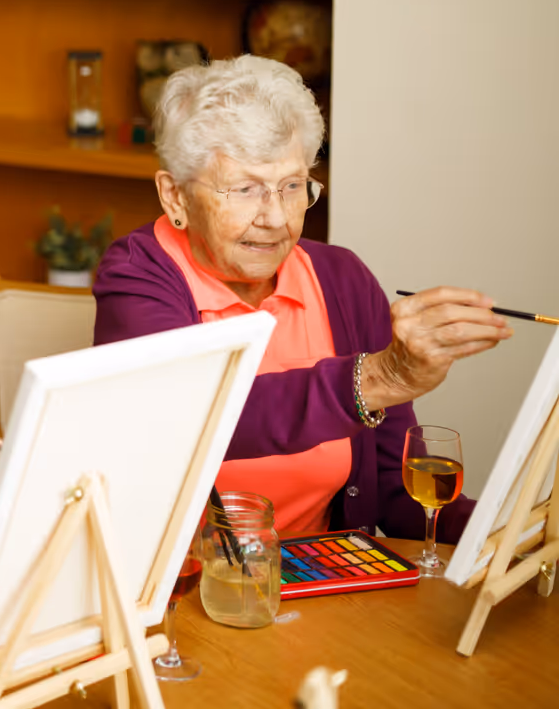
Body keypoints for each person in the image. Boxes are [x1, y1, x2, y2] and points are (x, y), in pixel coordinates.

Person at [94, 55, 509, 541]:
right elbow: (194, 416)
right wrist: (377, 378)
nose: (275, 218)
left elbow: (398, 495)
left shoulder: (343, 280)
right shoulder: (136, 277)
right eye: (245, 189)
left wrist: (506, 526)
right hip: (187, 589)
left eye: (292, 186)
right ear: (176, 197)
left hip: (317, 586)